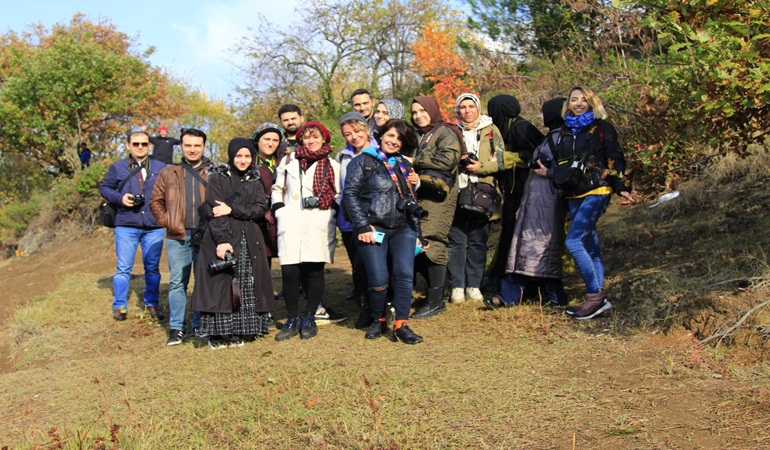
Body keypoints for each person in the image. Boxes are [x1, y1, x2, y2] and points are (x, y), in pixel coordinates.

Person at [554, 86, 633, 319]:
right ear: (567, 104)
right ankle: (599, 300)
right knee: (590, 244)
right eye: (574, 100)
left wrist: (623, 188)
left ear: (591, 102)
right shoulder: (565, 131)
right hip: (573, 193)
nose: (578, 103)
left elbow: (615, 157)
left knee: (574, 241)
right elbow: (562, 162)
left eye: (584, 100)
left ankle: (594, 296)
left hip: (597, 188)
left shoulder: (602, 127)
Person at [344, 119, 425, 344]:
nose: (394, 141)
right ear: (380, 136)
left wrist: (419, 234)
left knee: (404, 276)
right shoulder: (363, 161)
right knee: (378, 279)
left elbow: (411, 200)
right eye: (390, 135)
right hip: (373, 227)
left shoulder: (404, 165)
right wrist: (362, 225)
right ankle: (378, 319)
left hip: (403, 228)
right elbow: (350, 194)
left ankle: (401, 324)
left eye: (399, 138)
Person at [484, 97, 569, 308]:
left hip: (543, 198)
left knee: (533, 244)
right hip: (531, 196)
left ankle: (515, 292)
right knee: (531, 244)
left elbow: (541, 159)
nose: (540, 117)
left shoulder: (525, 129)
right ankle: (546, 293)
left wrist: (504, 159)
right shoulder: (551, 136)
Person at [191, 138, 275, 349]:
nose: (243, 160)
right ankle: (218, 333)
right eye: (239, 156)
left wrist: (233, 209)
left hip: (249, 239)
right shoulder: (218, 179)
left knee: (245, 284)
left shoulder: (254, 180)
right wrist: (222, 241)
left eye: (247, 156)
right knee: (221, 284)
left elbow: (258, 209)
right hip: (223, 237)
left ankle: (241, 329)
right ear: (231, 156)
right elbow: (216, 211)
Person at [272, 122, 341, 341]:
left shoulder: (332, 164)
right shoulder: (289, 160)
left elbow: (339, 193)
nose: (311, 141)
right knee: (290, 270)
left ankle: (310, 316)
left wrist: (329, 210)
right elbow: (277, 188)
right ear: (301, 140)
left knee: (314, 269)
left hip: (318, 219)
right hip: (291, 218)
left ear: (324, 139)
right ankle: (292, 318)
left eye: (315, 137)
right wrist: (279, 210)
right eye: (306, 137)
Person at [149, 128, 212, 345]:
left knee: (204, 281)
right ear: (181, 147)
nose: (192, 150)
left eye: (197, 145)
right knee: (177, 283)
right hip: (178, 236)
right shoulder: (169, 172)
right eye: (188, 145)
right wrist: (168, 221)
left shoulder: (213, 172)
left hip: (205, 236)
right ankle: (177, 328)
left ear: (204, 147)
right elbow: (155, 201)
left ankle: (199, 323)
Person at [99, 128, 166, 321]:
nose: (140, 147)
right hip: (126, 223)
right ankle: (120, 306)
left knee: (152, 268)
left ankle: (152, 304)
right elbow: (104, 188)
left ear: (149, 146)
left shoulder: (161, 167)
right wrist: (120, 198)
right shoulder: (117, 167)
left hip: (153, 225)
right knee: (123, 268)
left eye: (144, 144)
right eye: (135, 144)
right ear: (128, 146)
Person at [447, 93, 504, 304]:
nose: (467, 111)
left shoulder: (491, 130)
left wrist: (481, 166)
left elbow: (501, 160)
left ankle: (474, 285)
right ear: (457, 110)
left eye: (471, 106)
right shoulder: (451, 131)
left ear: (478, 108)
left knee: (478, 242)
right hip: (457, 192)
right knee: (456, 242)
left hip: (483, 193)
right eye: (463, 107)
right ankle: (457, 287)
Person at [410, 96, 462, 318]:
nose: (418, 115)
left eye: (422, 110)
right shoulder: (423, 135)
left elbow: (448, 161)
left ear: (432, 109)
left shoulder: (446, 132)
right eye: (414, 112)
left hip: (440, 195)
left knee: (433, 241)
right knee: (421, 242)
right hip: (424, 194)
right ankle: (439, 291)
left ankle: (436, 301)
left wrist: (415, 161)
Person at [486, 95, 545, 294]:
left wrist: (504, 159)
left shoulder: (520, 127)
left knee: (518, 236)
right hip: (513, 191)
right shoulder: (507, 128)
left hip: (525, 191)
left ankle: (519, 283)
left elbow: (539, 155)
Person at [337, 112, 378, 326]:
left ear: (366, 129)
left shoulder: (379, 151)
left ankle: (379, 305)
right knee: (358, 265)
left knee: (375, 264)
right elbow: (340, 188)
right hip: (349, 219)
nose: (354, 137)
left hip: (374, 217)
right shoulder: (343, 156)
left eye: (357, 131)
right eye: (348, 134)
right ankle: (363, 304)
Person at [251, 122, 283, 259]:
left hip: (280, 217)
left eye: (275, 140)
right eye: (267, 139)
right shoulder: (248, 162)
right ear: (258, 140)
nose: (270, 144)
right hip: (258, 220)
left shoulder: (284, 161)